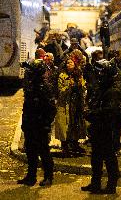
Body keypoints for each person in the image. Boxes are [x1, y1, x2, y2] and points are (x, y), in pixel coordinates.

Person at [81, 57, 121, 194]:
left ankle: (111, 186)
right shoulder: (102, 88)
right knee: (96, 158)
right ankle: (95, 183)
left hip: (107, 130)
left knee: (109, 158)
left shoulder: (112, 91)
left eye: (102, 73)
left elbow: (108, 111)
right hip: (98, 129)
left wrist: (92, 114)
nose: (99, 76)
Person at [17, 51, 57, 186]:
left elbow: (51, 109)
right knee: (31, 151)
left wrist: (46, 124)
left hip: (40, 126)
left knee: (44, 151)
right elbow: (27, 106)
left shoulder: (44, 87)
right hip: (30, 124)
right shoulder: (31, 87)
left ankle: (48, 176)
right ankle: (31, 176)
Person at [55, 49, 86, 156]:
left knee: (76, 124)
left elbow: (83, 86)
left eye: (71, 62)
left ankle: (75, 144)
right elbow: (60, 90)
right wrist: (69, 86)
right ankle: (65, 147)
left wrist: (81, 85)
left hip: (76, 103)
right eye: (67, 63)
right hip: (65, 104)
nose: (69, 64)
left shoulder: (79, 74)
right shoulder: (62, 76)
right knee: (64, 126)